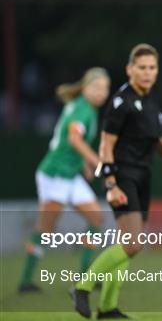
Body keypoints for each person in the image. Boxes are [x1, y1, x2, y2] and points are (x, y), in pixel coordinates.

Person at [71, 43, 162, 319]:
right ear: (130, 70)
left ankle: (107, 307)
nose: (147, 72)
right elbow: (105, 147)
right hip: (122, 176)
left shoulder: (152, 101)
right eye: (141, 67)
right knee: (133, 244)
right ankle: (82, 286)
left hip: (143, 176)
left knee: (128, 245)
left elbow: (157, 142)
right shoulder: (121, 102)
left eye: (152, 67)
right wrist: (110, 184)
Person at [19, 68, 110, 293]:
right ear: (85, 87)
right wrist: (98, 163)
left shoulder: (86, 108)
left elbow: (68, 142)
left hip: (69, 174)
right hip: (54, 174)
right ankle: (25, 281)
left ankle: (85, 277)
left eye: (105, 88)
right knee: (45, 230)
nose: (102, 93)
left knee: (96, 217)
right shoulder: (83, 109)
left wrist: (84, 165)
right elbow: (73, 139)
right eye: (97, 87)